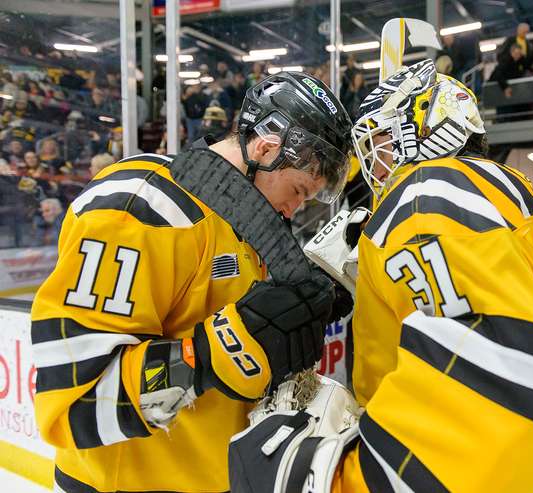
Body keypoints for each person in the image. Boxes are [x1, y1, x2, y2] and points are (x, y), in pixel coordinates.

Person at [229, 59, 533, 492]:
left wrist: (338, 479)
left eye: (383, 139)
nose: (375, 157)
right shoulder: (500, 186)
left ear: (427, 127)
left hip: (504, 471)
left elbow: (502, 381)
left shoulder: (428, 195)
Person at [30, 71, 353, 493]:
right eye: (298, 190)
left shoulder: (252, 224)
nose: (295, 209)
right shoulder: (138, 206)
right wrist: (210, 352)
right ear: (267, 148)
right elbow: (74, 404)